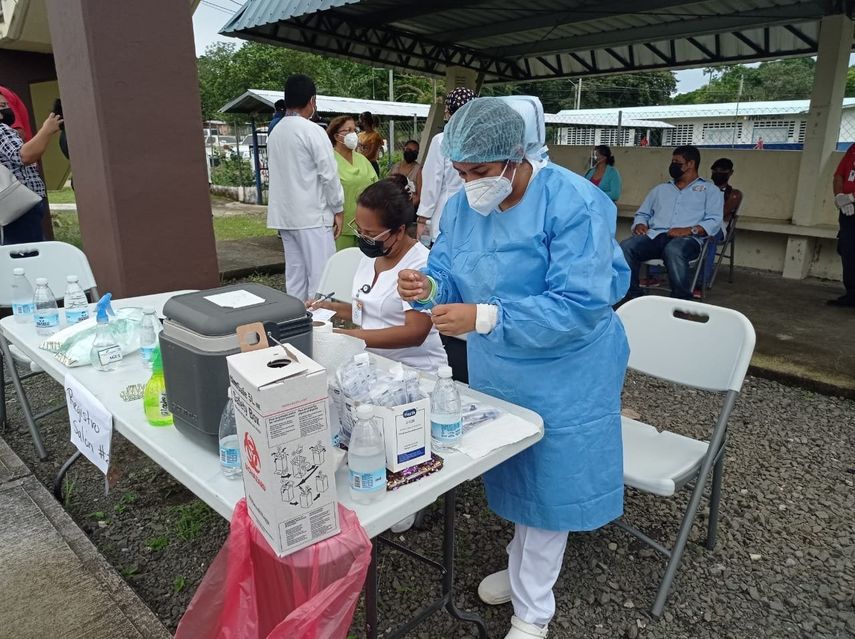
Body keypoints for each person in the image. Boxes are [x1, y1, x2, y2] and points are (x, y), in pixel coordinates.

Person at [397, 98, 630, 639]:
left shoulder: (574, 202)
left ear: (516, 155)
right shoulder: (462, 207)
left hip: (567, 366)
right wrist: (426, 286)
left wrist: (483, 316)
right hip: (501, 362)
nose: (469, 183)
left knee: (551, 477)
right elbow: (448, 272)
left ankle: (533, 612)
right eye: (460, 173)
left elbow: (580, 304)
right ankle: (522, 565)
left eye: (478, 171)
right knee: (518, 468)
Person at [309, 175, 447, 371]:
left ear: (399, 231)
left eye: (371, 234)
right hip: (375, 364)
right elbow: (368, 312)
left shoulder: (421, 265)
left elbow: (415, 333)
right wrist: (327, 308)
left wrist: (347, 336)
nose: (363, 238)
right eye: (359, 230)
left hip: (416, 370)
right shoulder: (372, 257)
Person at [266, 74, 344, 301]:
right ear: (312, 100)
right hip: (312, 216)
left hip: (286, 217)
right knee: (322, 278)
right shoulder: (312, 130)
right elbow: (329, 175)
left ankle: (297, 317)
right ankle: (320, 321)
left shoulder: (276, 132)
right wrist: (338, 208)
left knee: (296, 277)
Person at [620, 145, 723, 301]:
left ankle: (681, 303)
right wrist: (640, 224)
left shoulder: (709, 190)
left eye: (677, 162)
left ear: (691, 164)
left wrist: (690, 230)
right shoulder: (660, 190)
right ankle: (633, 297)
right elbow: (642, 214)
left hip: (688, 240)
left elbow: (714, 220)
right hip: (656, 236)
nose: (672, 165)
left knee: (673, 249)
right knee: (626, 247)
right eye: (672, 161)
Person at [416, 87, 476, 245]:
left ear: (449, 112)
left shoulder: (441, 140)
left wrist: (423, 218)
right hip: (476, 215)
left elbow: (432, 182)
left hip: (446, 213)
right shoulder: (480, 139)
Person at [0, 93, 62, 244]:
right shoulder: (2, 130)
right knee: (28, 250)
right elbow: (24, 156)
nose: (7, 109)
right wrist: (47, 130)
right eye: (2, 106)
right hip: (20, 204)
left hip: (8, 207)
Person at [327, 115, 377, 251]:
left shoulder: (362, 159)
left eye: (354, 130)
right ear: (336, 136)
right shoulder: (329, 160)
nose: (353, 134)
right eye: (348, 130)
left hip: (367, 227)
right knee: (341, 260)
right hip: (340, 226)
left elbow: (376, 187)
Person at [697, 158, 743, 294]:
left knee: (709, 238)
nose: (718, 173)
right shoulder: (704, 188)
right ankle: (654, 274)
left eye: (722, 171)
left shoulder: (733, 194)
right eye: (715, 170)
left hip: (719, 227)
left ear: (730, 173)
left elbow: (718, 215)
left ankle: (701, 283)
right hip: (697, 223)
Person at [830, 144, 855, 307]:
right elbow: (839, 175)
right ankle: (852, 294)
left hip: (850, 200)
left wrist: (851, 197)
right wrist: (840, 196)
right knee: (848, 250)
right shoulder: (853, 149)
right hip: (848, 208)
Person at [390, 139, 423, 208]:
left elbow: (419, 196)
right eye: (408, 150)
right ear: (403, 149)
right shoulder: (395, 167)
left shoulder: (418, 170)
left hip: (409, 207)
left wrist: (405, 209)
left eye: (414, 151)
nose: (411, 153)